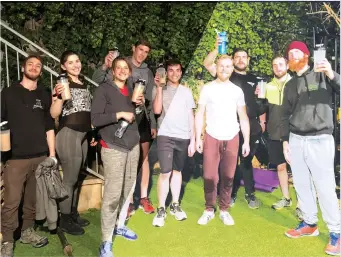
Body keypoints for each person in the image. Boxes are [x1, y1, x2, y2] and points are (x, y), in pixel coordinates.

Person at [281, 40, 340, 256]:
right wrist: (285, 141)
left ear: (307, 55)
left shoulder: (323, 74)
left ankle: (336, 232)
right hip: (296, 139)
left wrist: (332, 73)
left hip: (320, 139)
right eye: (290, 53)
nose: (294, 55)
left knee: (324, 187)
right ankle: (310, 223)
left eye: (298, 51)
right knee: (301, 184)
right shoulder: (289, 84)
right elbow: (285, 114)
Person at [92, 40, 157, 216]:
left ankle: (141, 198)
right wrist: (104, 66)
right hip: (119, 125)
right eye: (140, 50)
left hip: (139, 119)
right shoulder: (119, 64)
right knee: (121, 168)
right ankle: (124, 203)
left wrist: (152, 122)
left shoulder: (147, 72)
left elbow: (148, 101)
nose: (142, 54)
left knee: (143, 160)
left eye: (146, 51)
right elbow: (97, 81)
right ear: (133, 48)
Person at [1, 55, 57, 257]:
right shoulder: (8, 93)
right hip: (15, 158)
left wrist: (52, 155)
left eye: (38, 66)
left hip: (40, 157)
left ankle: (27, 231)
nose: (34, 68)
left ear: (40, 72)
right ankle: (7, 240)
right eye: (30, 64)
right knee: (12, 202)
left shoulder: (44, 94)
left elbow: (49, 127)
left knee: (32, 200)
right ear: (23, 67)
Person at [204, 42, 266, 209]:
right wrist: (217, 48)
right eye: (237, 57)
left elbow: (259, 103)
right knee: (227, 164)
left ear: (248, 60)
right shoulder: (227, 74)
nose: (240, 59)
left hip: (250, 127)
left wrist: (262, 121)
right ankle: (228, 195)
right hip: (229, 127)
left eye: (243, 57)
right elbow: (208, 64)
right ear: (232, 60)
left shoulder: (255, 79)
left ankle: (250, 194)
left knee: (246, 162)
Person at [91, 56, 143, 257]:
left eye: (125, 68)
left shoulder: (132, 89)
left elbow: (135, 116)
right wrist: (119, 114)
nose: (122, 70)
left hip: (132, 145)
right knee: (112, 195)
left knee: (127, 189)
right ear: (113, 71)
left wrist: (137, 106)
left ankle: (119, 225)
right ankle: (105, 241)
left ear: (129, 71)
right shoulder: (104, 89)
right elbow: (95, 119)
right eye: (118, 67)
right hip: (113, 147)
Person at [196, 55, 250, 226]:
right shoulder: (207, 88)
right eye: (221, 66)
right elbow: (199, 113)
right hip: (212, 135)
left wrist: (246, 141)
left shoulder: (237, 91)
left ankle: (224, 209)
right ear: (216, 67)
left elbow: (243, 117)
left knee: (228, 176)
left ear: (232, 69)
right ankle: (209, 209)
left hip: (232, 136)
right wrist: (198, 136)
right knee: (209, 176)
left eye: (228, 66)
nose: (224, 69)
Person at [50, 50, 95, 235]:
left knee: (76, 178)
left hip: (83, 135)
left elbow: (86, 112)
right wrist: (59, 97)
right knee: (69, 180)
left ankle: (72, 213)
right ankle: (64, 220)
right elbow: (53, 114)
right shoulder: (62, 85)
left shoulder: (83, 84)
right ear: (63, 66)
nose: (76, 65)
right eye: (70, 62)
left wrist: (91, 133)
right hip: (69, 134)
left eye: (77, 61)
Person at [151, 59, 196, 227]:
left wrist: (193, 139)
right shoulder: (159, 89)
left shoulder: (186, 92)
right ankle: (161, 208)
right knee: (165, 172)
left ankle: (175, 205)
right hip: (166, 136)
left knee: (177, 171)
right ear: (166, 72)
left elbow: (191, 116)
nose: (175, 73)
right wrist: (159, 88)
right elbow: (156, 111)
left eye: (178, 70)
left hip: (183, 137)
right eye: (171, 70)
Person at [257, 56, 294, 209]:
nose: (278, 67)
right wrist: (262, 120)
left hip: (294, 134)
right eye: (274, 65)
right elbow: (263, 109)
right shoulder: (267, 86)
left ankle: (303, 206)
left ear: (287, 65)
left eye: (281, 64)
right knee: (280, 167)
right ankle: (286, 198)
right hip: (274, 134)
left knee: (299, 170)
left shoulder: (295, 84)